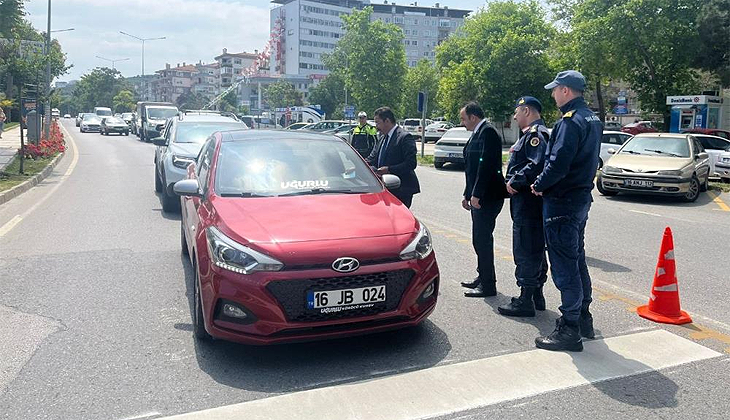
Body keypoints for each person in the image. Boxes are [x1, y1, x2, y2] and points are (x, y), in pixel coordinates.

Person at [531, 70, 602, 352]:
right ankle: (583, 317)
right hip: (580, 198)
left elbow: (559, 163)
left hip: (562, 200)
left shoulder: (569, 122)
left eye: (555, 90)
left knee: (564, 264)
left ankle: (570, 327)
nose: (552, 95)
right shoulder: (592, 118)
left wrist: (539, 183)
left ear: (566, 91)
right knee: (576, 257)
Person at [498, 97, 549, 317]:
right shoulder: (534, 134)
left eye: (517, 113)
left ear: (526, 111)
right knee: (535, 247)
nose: (515, 117)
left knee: (526, 247)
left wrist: (514, 181)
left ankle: (525, 299)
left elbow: (536, 164)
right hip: (530, 202)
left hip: (527, 201)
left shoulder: (535, 135)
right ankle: (536, 294)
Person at [459, 102, 508, 298]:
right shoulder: (477, 133)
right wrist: (467, 193)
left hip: (488, 197)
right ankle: (482, 276)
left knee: (482, 239)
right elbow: (471, 168)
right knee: (478, 240)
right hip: (479, 195)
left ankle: (488, 285)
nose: (462, 123)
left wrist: (476, 194)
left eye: (463, 118)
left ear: (473, 117)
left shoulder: (488, 132)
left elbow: (486, 167)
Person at [366, 106, 420, 208]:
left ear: (387, 121)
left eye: (378, 122)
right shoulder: (382, 138)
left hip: (402, 189)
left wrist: (389, 169)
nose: (376, 126)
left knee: (398, 220)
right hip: (384, 188)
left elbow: (411, 163)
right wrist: (358, 165)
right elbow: (372, 158)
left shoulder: (404, 137)